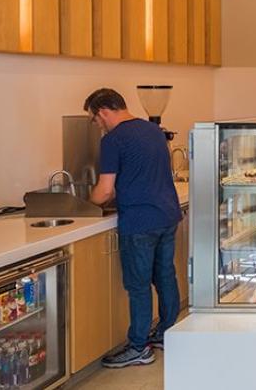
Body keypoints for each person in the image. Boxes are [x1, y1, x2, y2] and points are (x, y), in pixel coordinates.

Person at [84, 88, 182, 369]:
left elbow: (104, 192)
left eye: (95, 119)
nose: (97, 125)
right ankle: (166, 333)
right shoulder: (153, 130)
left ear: (102, 112)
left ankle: (139, 347)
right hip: (166, 214)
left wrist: (85, 203)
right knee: (165, 276)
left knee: (138, 286)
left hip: (139, 221)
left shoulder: (113, 140)